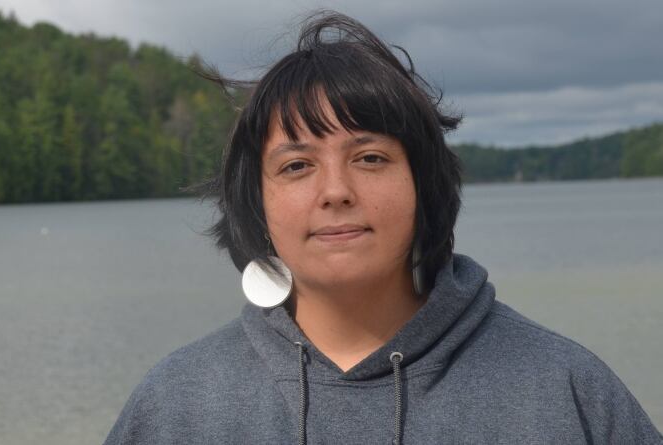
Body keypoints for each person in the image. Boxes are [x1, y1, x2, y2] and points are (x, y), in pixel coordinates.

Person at [103, 11, 662, 445]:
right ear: (258, 205)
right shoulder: (179, 402)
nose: (336, 190)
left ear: (424, 185)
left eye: (370, 158)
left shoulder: (563, 389)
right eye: (296, 166)